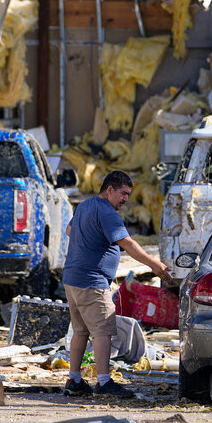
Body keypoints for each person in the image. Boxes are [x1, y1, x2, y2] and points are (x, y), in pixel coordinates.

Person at [62, 170, 171, 397]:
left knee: (80, 332)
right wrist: (155, 265)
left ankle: (74, 380)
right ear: (109, 189)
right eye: (123, 193)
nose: (125, 199)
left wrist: (90, 242)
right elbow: (128, 243)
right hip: (92, 282)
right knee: (103, 331)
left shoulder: (85, 205)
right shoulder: (107, 212)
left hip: (72, 279)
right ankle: (103, 382)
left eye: (128, 195)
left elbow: (69, 230)